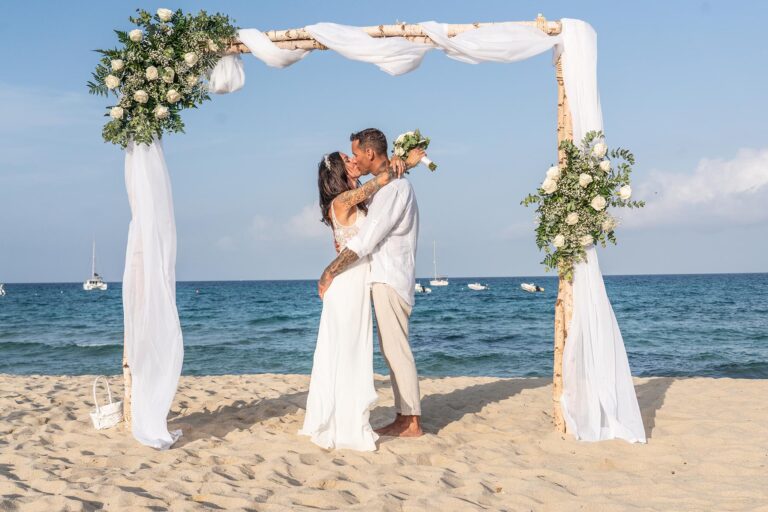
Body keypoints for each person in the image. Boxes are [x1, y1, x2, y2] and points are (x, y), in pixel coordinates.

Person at [300, 145, 421, 450]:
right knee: (346, 351)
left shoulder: (360, 199)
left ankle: (350, 414)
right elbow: (380, 181)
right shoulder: (342, 200)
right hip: (346, 286)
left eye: (352, 156)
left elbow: (385, 187)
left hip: (358, 285)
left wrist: (403, 164)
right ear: (338, 172)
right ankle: (344, 419)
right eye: (346, 159)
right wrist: (406, 161)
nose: (353, 161)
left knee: (354, 351)